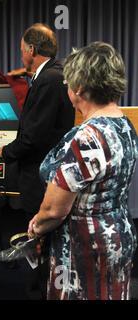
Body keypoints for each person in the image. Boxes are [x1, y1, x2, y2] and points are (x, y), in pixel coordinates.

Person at [27, 42, 137, 300]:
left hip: (84, 248)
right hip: (118, 235)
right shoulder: (125, 125)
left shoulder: (86, 138)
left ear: (78, 89)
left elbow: (54, 210)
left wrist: (36, 229)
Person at [0, 23, 75, 299]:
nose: (21, 56)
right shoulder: (55, 74)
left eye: (22, 51)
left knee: (39, 240)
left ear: (32, 49)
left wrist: (6, 152)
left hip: (41, 177)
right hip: (48, 174)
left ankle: (40, 290)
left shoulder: (49, 79)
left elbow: (33, 135)